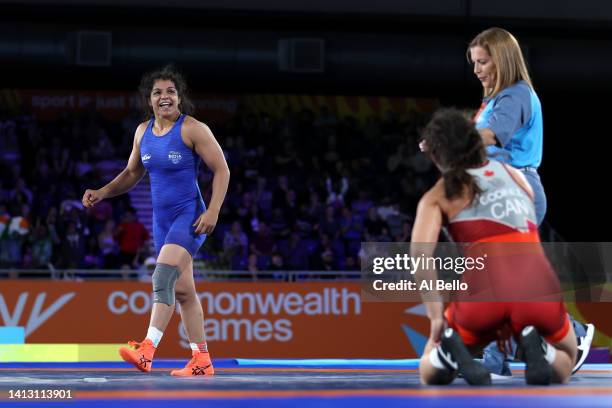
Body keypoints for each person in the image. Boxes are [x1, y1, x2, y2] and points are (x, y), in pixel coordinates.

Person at [82, 65, 230, 377]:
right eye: (158, 93)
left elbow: (222, 170)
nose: (165, 97)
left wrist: (213, 210)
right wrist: (102, 192)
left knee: (161, 278)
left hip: (188, 217)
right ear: (149, 100)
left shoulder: (193, 129)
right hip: (161, 223)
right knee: (185, 294)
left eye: (170, 92)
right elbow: (132, 173)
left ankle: (147, 350)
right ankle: (201, 360)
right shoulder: (142, 132)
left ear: (180, 98)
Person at [415, 108, 576, 386]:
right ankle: (541, 351)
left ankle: (449, 355)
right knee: (566, 359)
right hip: (537, 285)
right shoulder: (516, 176)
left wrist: (435, 318)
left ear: (437, 157)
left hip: (484, 295)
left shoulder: (439, 193)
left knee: (429, 371)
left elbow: (419, 257)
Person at [467, 27, 594, 376]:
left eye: (483, 62)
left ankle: (567, 336)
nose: (476, 70)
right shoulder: (494, 100)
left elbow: (494, 136)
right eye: (474, 63)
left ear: (502, 60)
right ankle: (568, 335)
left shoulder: (517, 95)